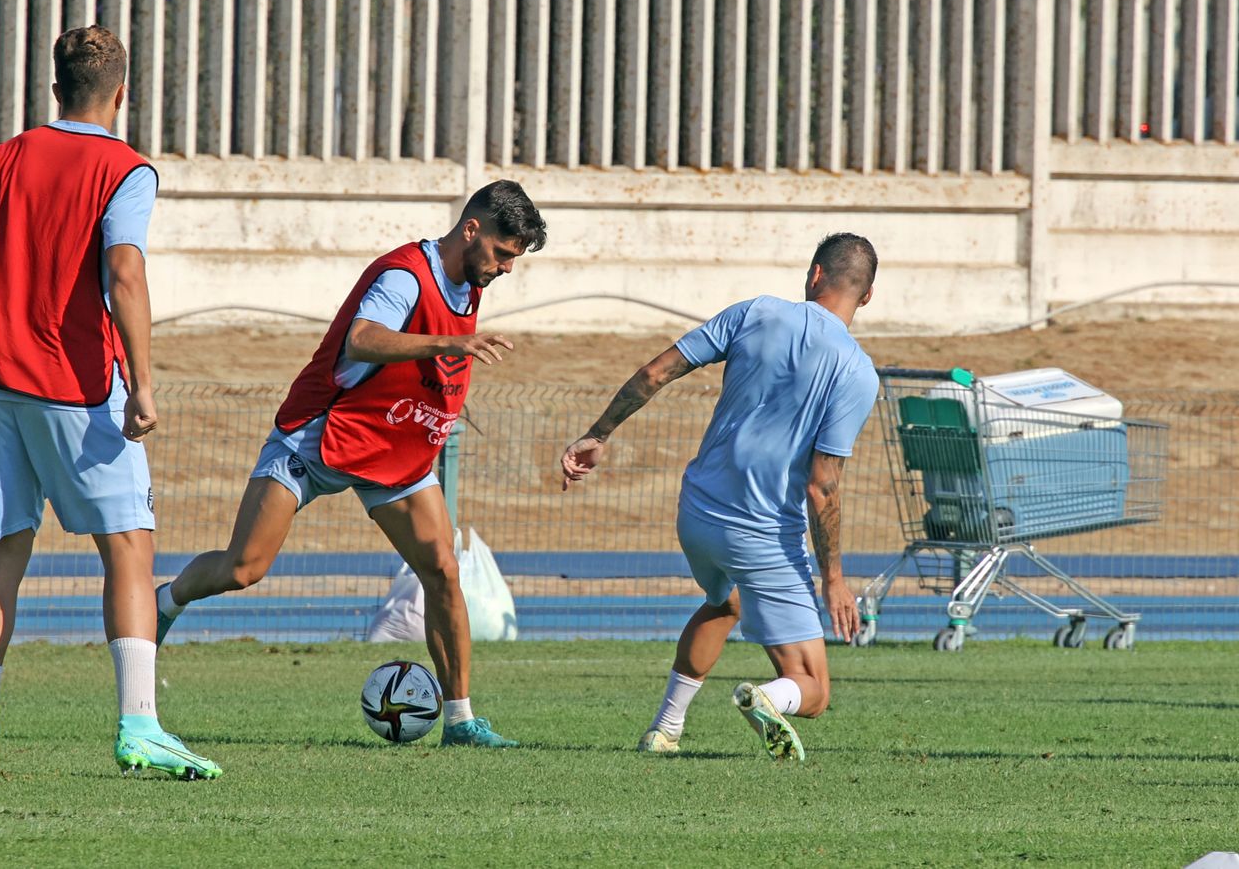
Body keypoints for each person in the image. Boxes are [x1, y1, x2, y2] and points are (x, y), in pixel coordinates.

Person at [0, 26, 219, 780]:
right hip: (77, 385)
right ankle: (140, 726)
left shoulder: (0, 159)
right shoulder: (125, 168)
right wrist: (142, 380)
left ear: (56, 89)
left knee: (4, 547)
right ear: (121, 94)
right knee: (128, 545)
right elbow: (124, 272)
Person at [155, 181, 547, 749]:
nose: (507, 267)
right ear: (471, 230)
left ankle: (461, 722)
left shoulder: (469, 282)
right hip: (320, 434)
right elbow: (363, 340)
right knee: (243, 568)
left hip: (394, 448)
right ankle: (166, 602)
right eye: (504, 253)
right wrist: (447, 346)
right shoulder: (404, 275)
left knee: (442, 569)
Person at [559, 233, 880, 761]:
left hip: (698, 512)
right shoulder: (857, 371)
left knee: (725, 602)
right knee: (814, 689)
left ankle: (665, 729)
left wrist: (599, 434)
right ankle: (770, 699)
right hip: (760, 533)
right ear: (866, 297)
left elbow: (654, 373)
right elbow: (822, 485)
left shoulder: (755, 311)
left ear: (815, 274)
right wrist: (835, 579)